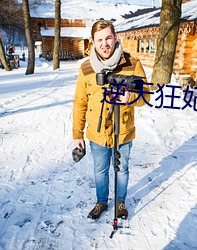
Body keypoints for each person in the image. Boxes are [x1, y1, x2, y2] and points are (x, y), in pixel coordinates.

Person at [72, 20, 150, 220]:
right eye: (99, 40)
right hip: (97, 133)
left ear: (115, 38)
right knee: (100, 170)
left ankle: (121, 202)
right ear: (93, 42)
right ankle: (101, 202)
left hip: (123, 131)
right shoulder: (86, 68)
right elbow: (80, 102)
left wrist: (130, 97)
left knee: (122, 169)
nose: (104, 43)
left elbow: (146, 96)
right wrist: (77, 134)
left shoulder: (132, 64)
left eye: (108, 38)